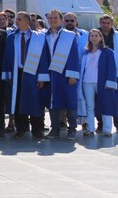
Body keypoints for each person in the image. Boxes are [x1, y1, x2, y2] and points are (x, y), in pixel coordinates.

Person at [3, 11, 50, 139]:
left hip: (33, 72)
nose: (16, 21)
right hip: (17, 73)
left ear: (27, 22)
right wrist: (8, 75)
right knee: (18, 102)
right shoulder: (11, 37)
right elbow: (7, 57)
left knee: (35, 101)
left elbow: (43, 58)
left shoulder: (38, 37)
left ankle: (37, 129)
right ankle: (21, 128)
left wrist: (42, 77)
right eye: (16, 19)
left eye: (19, 19)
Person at [43, 10, 81, 139]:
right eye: (50, 18)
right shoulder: (44, 35)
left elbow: (74, 56)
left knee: (70, 101)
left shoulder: (69, 36)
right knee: (53, 101)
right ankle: (55, 128)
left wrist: (72, 75)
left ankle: (72, 129)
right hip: (51, 73)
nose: (52, 20)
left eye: (55, 18)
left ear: (61, 20)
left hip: (66, 73)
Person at [76, 29, 118, 137]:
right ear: (89, 38)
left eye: (96, 35)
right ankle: (90, 128)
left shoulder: (107, 52)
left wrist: (110, 82)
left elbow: (112, 68)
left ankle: (107, 129)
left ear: (100, 38)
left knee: (105, 105)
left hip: (102, 83)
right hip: (87, 82)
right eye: (92, 36)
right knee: (89, 106)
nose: (94, 37)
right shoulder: (86, 53)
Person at [97, 14, 118, 134]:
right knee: (99, 98)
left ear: (112, 24)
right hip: (98, 73)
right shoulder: (94, 35)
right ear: (99, 23)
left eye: (108, 23)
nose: (105, 25)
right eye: (103, 23)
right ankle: (101, 124)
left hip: (117, 73)